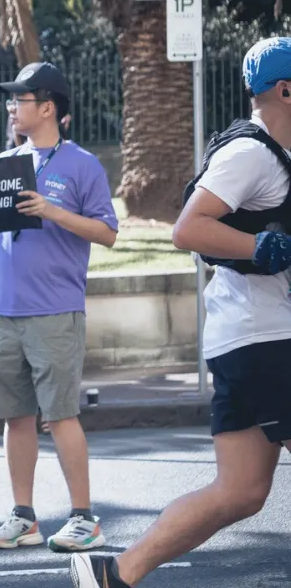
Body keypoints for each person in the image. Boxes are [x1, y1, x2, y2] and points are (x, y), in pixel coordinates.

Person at [70, 38, 291, 587]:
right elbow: (187, 229)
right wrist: (259, 247)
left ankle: (116, 573)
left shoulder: (276, 155)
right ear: (287, 90)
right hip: (267, 336)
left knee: (238, 491)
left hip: (248, 336)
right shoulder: (250, 154)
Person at [0, 61, 117, 554]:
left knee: (62, 415)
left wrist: (52, 210)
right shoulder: (6, 161)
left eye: (20, 99)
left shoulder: (82, 165)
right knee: (15, 418)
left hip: (55, 310)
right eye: (11, 99)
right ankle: (24, 518)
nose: (11, 106)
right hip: (3, 312)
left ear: (48, 107)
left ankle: (84, 518)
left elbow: (108, 233)